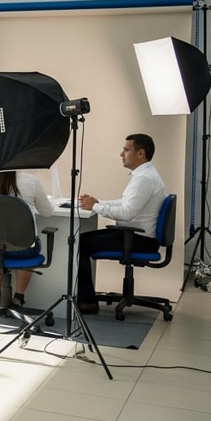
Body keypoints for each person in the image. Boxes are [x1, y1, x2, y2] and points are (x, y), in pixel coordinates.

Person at [76, 133, 167, 314]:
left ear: (140, 153)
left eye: (126, 150)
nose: (121, 154)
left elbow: (126, 213)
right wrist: (98, 202)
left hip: (138, 239)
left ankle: (87, 302)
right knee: (78, 240)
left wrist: (94, 206)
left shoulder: (144, 179)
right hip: (136, 235)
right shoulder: (144, 175)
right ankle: (86, 297)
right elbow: (125, 203)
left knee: (78, 244)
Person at [0, 169, 54, 307]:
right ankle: (18, 297)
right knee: (24, 243)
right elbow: (47, 212)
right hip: (23, 250)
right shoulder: (31, 181)